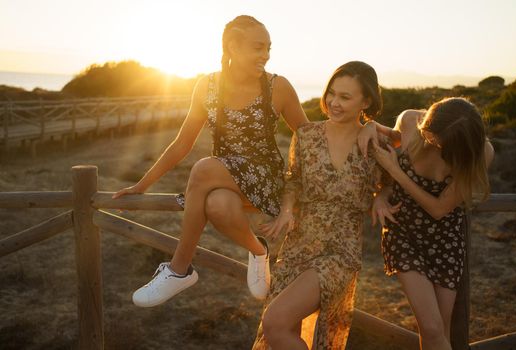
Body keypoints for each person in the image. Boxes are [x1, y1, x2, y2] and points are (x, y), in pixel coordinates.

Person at [112, 15, 308, 307]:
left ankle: (179, 270)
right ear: (232, 47)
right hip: (224, 178)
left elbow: (309, 137)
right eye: (258, 48)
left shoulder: (277, 87)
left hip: (267, 177)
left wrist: (297, 192)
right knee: (217, 204)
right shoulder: (207, 86)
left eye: (268, 48)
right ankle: (259, 251)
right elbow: (182, 143)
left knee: (204, 168)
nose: (265, 55)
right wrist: (142, 185)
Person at [252, 61, 386, 349]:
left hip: (340, 251)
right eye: (331, 94)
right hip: (297, 244)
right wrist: (287, 210)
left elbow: (395, 172)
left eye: (345, 97)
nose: (334, 103)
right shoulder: (307, 135)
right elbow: (293, 180)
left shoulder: (374, 143)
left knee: (274, 321)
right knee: (282, 331)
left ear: (366, 101)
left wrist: (384, 195)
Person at [359, 97, 494, 350]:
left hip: (445, 239)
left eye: (439, 142)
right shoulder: (412, 120)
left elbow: (439, 209)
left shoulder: (482, 152)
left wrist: (396, 170)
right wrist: (369, 126)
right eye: (430, 136)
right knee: (432, 328)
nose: (432, 143)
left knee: (438, 330)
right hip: (404, 232)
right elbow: (386, 136)